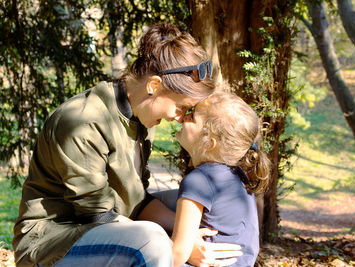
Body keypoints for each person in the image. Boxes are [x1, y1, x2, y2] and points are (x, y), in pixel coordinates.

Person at [12, 23, 241, 267]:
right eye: (182, 107)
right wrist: (180, 246)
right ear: (154, 86)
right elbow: (98, 216)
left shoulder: (142, 115)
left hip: (109, 228)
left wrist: (186, 233)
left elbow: (137, 201)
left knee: (202, 205)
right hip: (49, 244)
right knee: (153, 242)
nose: (181, 116)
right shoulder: (84, 122)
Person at [170, 91, 271, 267]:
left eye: (192, 116)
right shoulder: (237, 175)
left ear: (209, 143)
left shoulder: (198, 181)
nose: (183, 117)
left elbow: (177, 255)